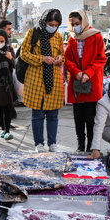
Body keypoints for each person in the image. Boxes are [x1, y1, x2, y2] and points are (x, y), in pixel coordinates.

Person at [21, 9, 65, 152]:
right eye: (50, 23)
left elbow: (62, 56)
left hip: (53, 80)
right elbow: (24, 54)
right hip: (36, 80)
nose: (53, 27)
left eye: (56, 24)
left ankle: (52, 143)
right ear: (44, 21)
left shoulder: (58, 37)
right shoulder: (33, 33)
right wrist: (42, 59)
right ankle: (38, 144)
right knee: (38, 114)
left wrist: (59, 59)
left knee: (53, 114)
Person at [64, 10, 106, 152]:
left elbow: (101, 59)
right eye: (73, 24)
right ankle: (80, 145)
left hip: (92, 83)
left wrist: (88, 73)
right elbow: (67, 60)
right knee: (78, 118)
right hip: (77, 83)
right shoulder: (72, 38)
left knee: (91, 118)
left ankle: (91, 147)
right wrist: (77, 73)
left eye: (78, 23)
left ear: (84, 21)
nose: (76, 26)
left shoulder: (96, 36)